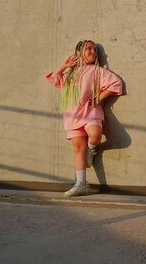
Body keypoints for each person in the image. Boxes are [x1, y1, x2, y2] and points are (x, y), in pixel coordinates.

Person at [45, 40, 123, 197]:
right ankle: (81, 184)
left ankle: (92, 149)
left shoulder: (97, 71)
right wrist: (64, 66)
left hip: (91, 111)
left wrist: (99, 98)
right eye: (88, 49)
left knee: (95, 134)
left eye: (94, 49)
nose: (92, 51)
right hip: (72, 115)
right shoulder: (70, 73)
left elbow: (116, 83)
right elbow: (53, 79)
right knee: (78, 148)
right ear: (79, 53)